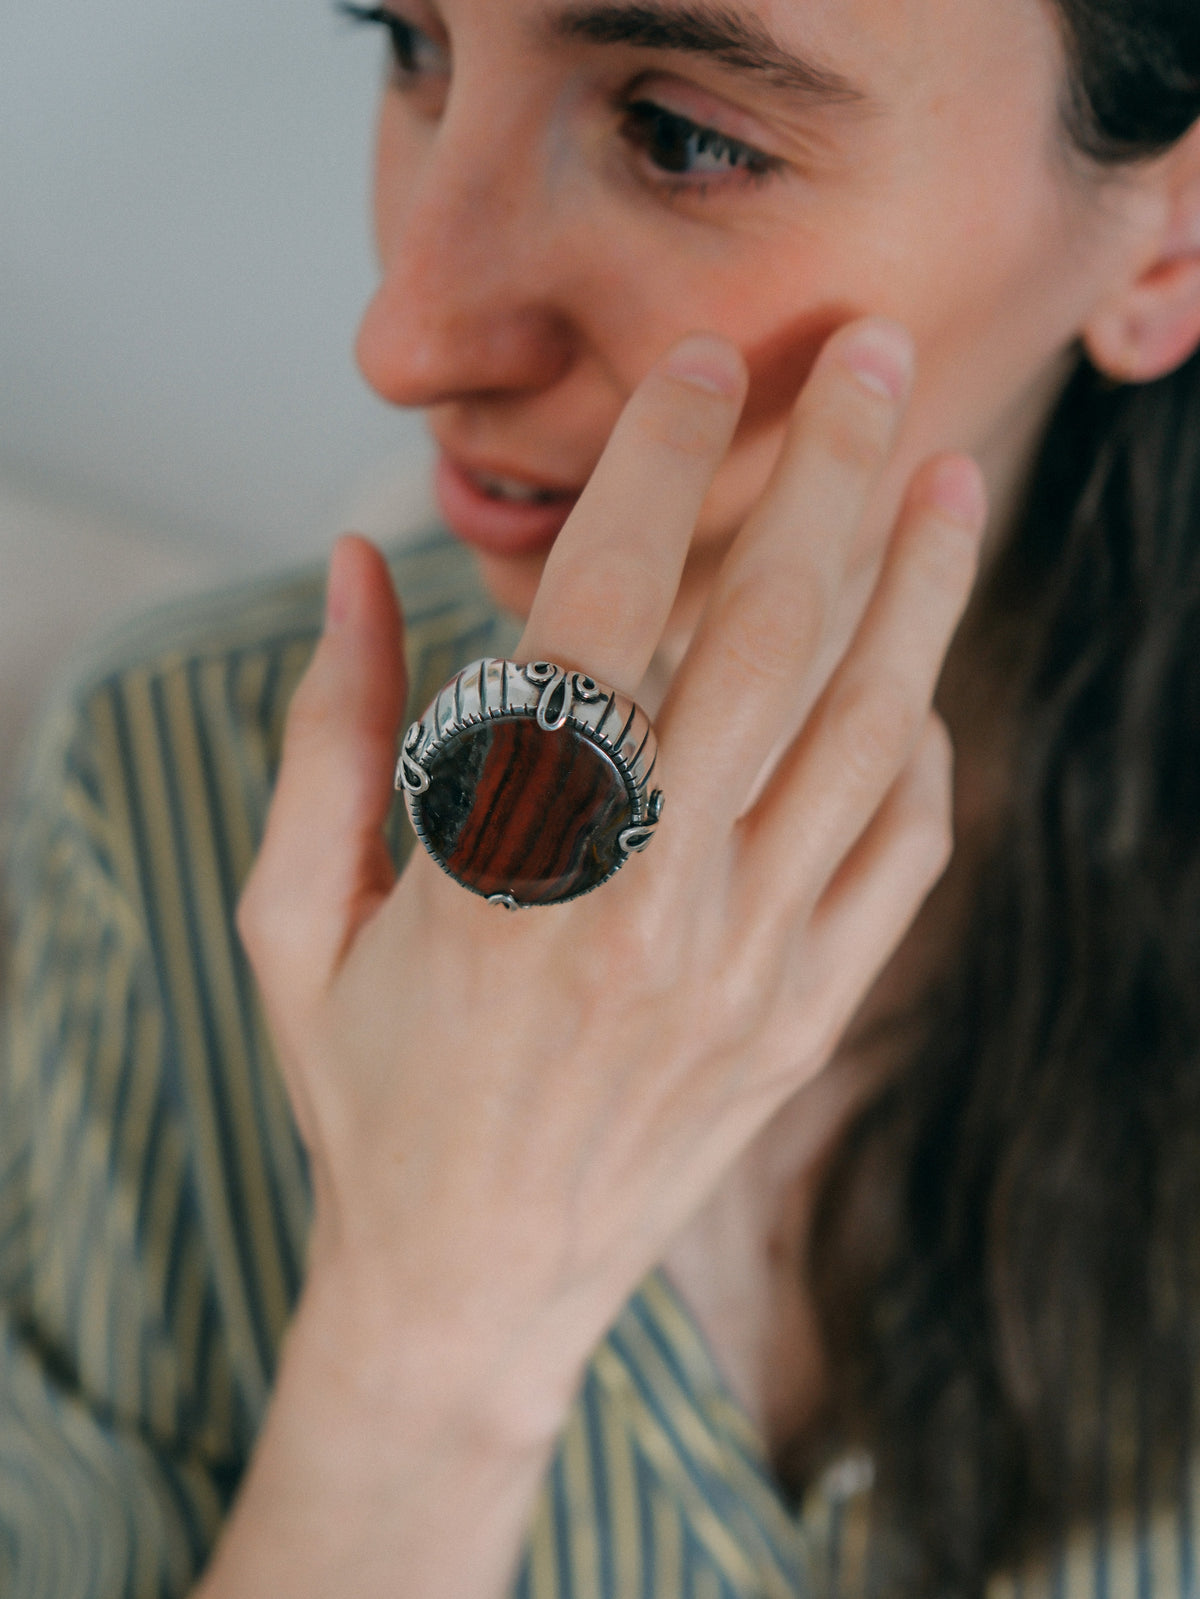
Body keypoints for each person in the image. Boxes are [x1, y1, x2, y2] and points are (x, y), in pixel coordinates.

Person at [2, 0, 1199, 1594]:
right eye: (410, 45)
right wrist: (429, 1337)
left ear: (1169, 240)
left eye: (688, 137)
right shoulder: (171, 798)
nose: (405, 333)